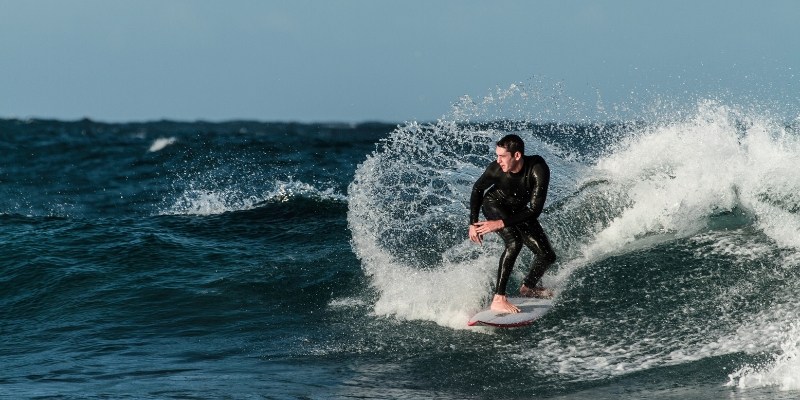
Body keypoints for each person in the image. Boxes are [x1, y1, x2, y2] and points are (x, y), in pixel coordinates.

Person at [468, 134, 557, 313]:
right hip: (494, 204)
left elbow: (534, 210)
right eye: (497, 155)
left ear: (517, 156)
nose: (498, 160)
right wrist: (473, 223)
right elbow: (478, 189)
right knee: (514, 241)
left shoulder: (538, 169)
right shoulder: (496, 169)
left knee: (547, 255)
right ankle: (499, 298)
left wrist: (501, 223)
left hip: (520, 211)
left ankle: (528, 287)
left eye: (502, 156)